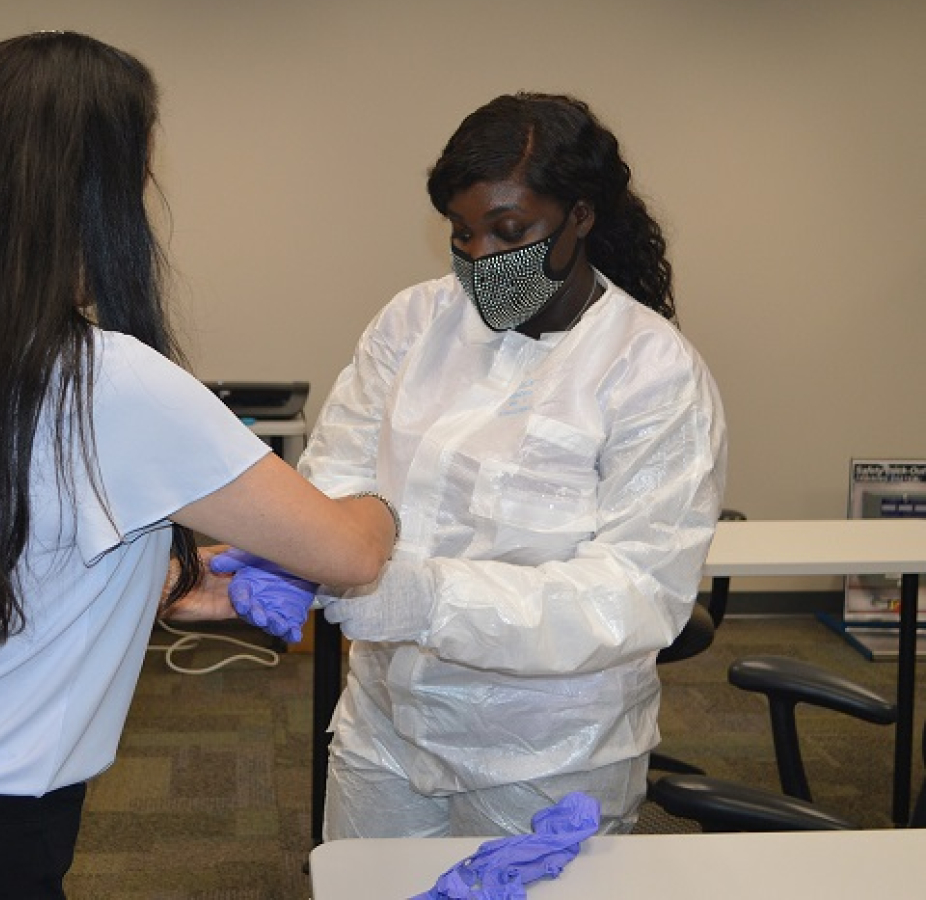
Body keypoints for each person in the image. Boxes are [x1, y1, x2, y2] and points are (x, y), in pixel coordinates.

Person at [0, 32, 397, 900]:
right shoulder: (109, 380)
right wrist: (392, 494)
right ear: (98, 199)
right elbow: (351, 553)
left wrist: (167, 580)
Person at [225, 92, 727, 838]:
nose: (480, 259)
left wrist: (426, 599)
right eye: (462, 234)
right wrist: (307, 552)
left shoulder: (652, 373)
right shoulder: (413, 323)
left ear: (580, 217)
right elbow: (340, 469)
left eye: (509, 231)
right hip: (389, 721)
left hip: (547, 753)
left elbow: (634, 595)